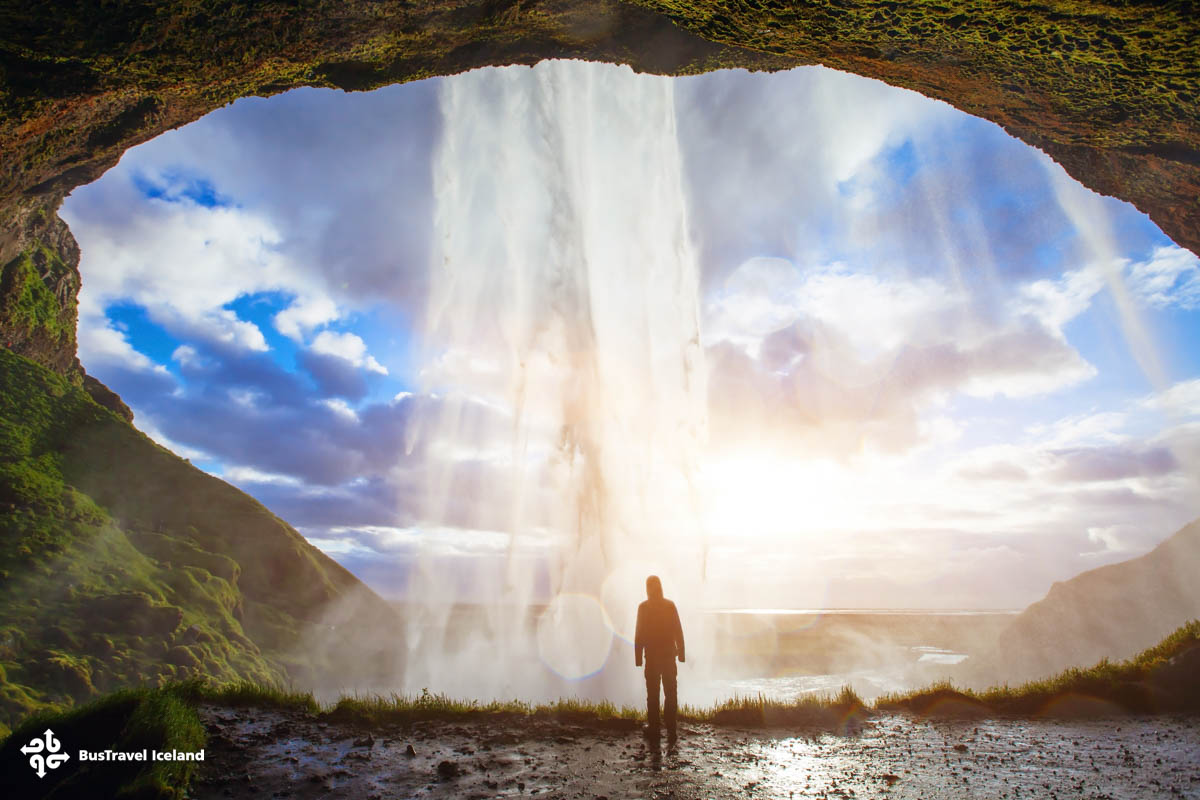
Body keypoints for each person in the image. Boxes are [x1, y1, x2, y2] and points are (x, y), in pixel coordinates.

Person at [634, 575, 685, 740]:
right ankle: (671, 728)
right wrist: (681, 654)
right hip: (669, 657)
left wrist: (638, 658)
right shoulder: (670, 606)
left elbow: (638, 634)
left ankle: (654, 727)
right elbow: (678, 631)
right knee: (671, 692)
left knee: (653, 693)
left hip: (652, 659)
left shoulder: (643, 607)